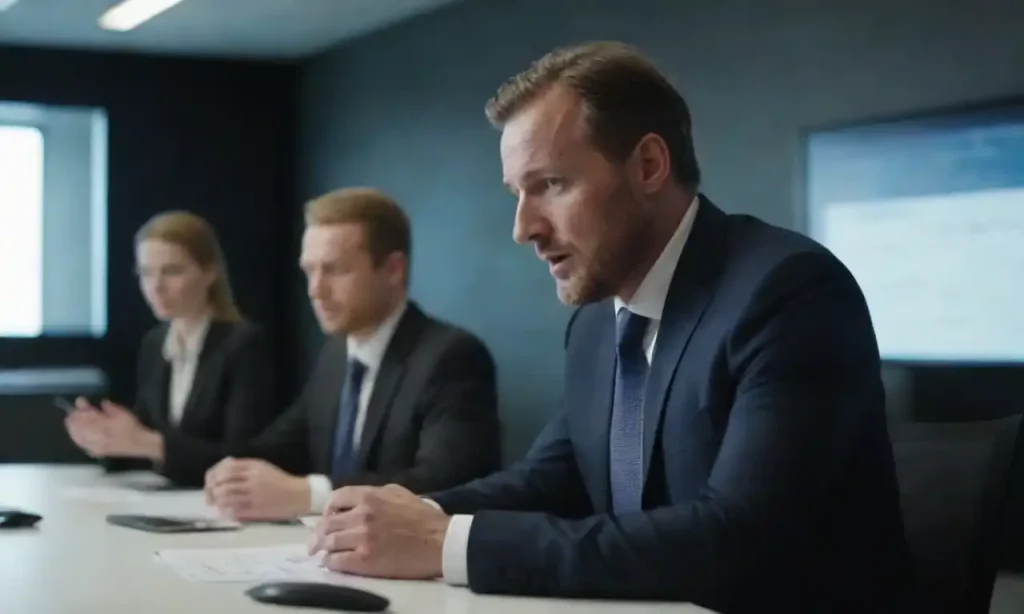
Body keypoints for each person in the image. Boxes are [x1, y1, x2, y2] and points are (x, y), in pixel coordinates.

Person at [308, 42, 912, 612]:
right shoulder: (598, 322)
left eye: (550, 185)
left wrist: (448, 543)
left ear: (648, 164)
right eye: (516, 193)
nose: (524, 228)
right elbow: (552, 479)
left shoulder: (788, 292)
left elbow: (740, 539)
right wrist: (407, 513)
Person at [204, 188, 502, 521]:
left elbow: (445, 481)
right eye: (309, 271)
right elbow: (280, 445)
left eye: (334, 270)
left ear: (393, 269)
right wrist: (232, 473)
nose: (315, 290)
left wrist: (309, 494)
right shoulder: (336, 353)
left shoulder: (452, 357)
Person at [64, 211, 279, 486]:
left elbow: (243, 457)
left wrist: (150, 443)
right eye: (145, 273)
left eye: (172, 271)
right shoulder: (155, 343)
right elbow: (144, 450)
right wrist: (106, 438)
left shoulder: (244, 345)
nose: (155, 286)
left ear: (210, 272)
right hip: (173, 504)